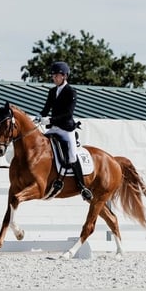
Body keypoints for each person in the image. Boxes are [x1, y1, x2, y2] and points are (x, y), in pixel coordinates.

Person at [35, 61, 93, 201]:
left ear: (64, 76)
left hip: (66, 129)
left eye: (56, 75)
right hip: (53, 128)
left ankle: (82, 186)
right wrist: (40, 117)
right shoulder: (52, 91)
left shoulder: (71, 92)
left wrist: (50, 120)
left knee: (72, 156)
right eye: (53, 76)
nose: (53, 78)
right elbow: (46, 108)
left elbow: (68, 114)